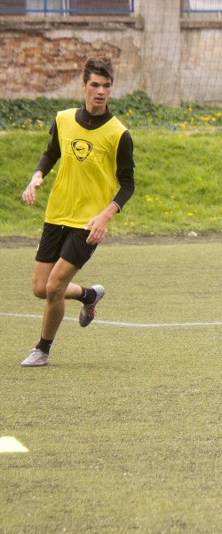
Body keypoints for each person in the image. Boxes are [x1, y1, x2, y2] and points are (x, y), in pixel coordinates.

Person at [19, 57, 135, 367]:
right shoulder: (63, 119)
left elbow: (128, 185)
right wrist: (37, 176)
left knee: (55, 286)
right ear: (83, 85)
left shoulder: (118, 134)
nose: (100, 91)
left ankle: (42, 349)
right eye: (95, 85)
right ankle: (87, 295)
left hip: (88, 224)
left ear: (111, 89)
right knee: (40, 289)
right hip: (56, 214)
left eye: (106, 86)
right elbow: (51, 154)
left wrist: (106, 215)